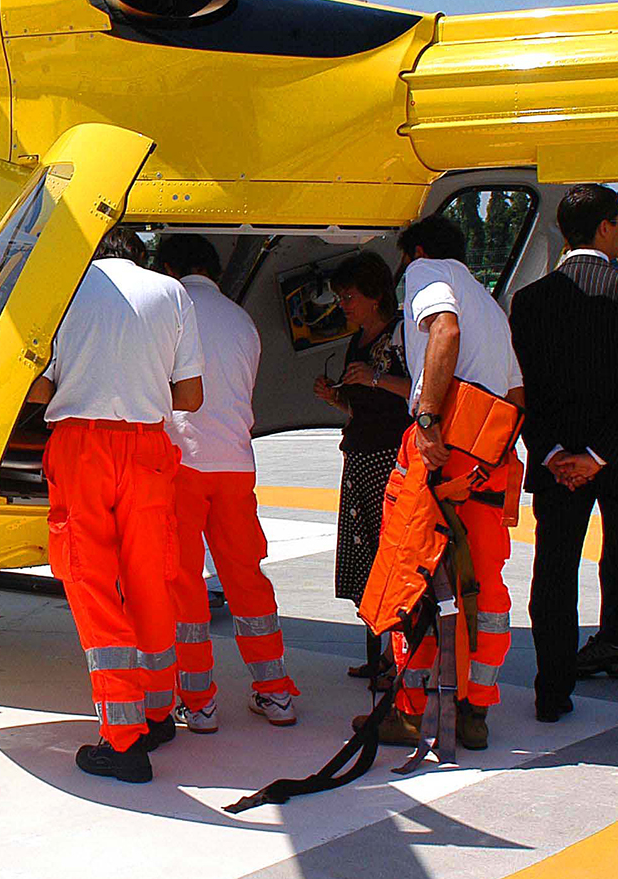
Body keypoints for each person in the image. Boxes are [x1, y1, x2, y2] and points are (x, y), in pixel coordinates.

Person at [27, 227, 204, 783]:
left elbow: (38, 389)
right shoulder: (173, 293)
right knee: (150, 579)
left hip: (83, 448)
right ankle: (155, 712)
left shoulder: (64, 292)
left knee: (94, 585)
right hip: (149, 447)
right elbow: (191, 396)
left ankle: (122, 741)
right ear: (142, 257)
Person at [376, 214, 524, 750]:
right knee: (483, 587)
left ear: (415, 251)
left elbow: (443, 329)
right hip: (487, 457)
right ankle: (475, 710)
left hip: (440, 451)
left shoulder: (427, 272)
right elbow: (516, 393)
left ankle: (411, 710)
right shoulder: (491, 306)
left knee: (412, 576)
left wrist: (430, 419)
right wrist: (493, 458)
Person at [158, 234, 298, 733]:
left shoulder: (170, 308)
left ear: (170, 267)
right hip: (236, 467)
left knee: (184, 584)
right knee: (246, 578)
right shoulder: (241, 320)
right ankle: (275, 691)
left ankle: (197, 703)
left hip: (182, 465)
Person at [510, 184, 618, 721]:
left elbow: (525, 388)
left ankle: (552, 692)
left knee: (554, 573)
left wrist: (553, 452)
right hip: (613, 455)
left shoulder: (529, 301)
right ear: (605, 228)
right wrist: (600, 453)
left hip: (554, 461)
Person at [313, 252, 412, 683]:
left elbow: (419, 391)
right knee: (368, 557)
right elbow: (361, 406)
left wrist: (373, 377)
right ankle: (379, 654)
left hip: (389, 459)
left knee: (390, 557)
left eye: (349, 296)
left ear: (375, 296)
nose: (344, 305)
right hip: (361, 454)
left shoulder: (403, 334)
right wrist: (336, 397)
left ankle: (397, 658)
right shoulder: (360, 339)